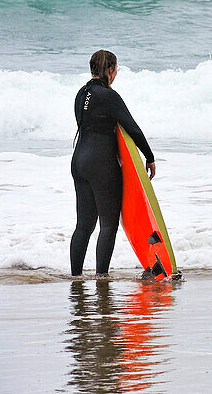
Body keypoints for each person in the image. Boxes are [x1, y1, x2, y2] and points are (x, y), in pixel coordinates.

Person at [71, 50, 156, 277]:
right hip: (101, 163)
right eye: (116, 70)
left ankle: (76, 278)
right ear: (110, 70)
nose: (116, 74)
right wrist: (149, 156)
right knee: (108, 224)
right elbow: (132, 127)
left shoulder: (82, 93)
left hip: (79, 162)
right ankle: (101, 277)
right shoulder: (109, 96)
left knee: (84, 225)